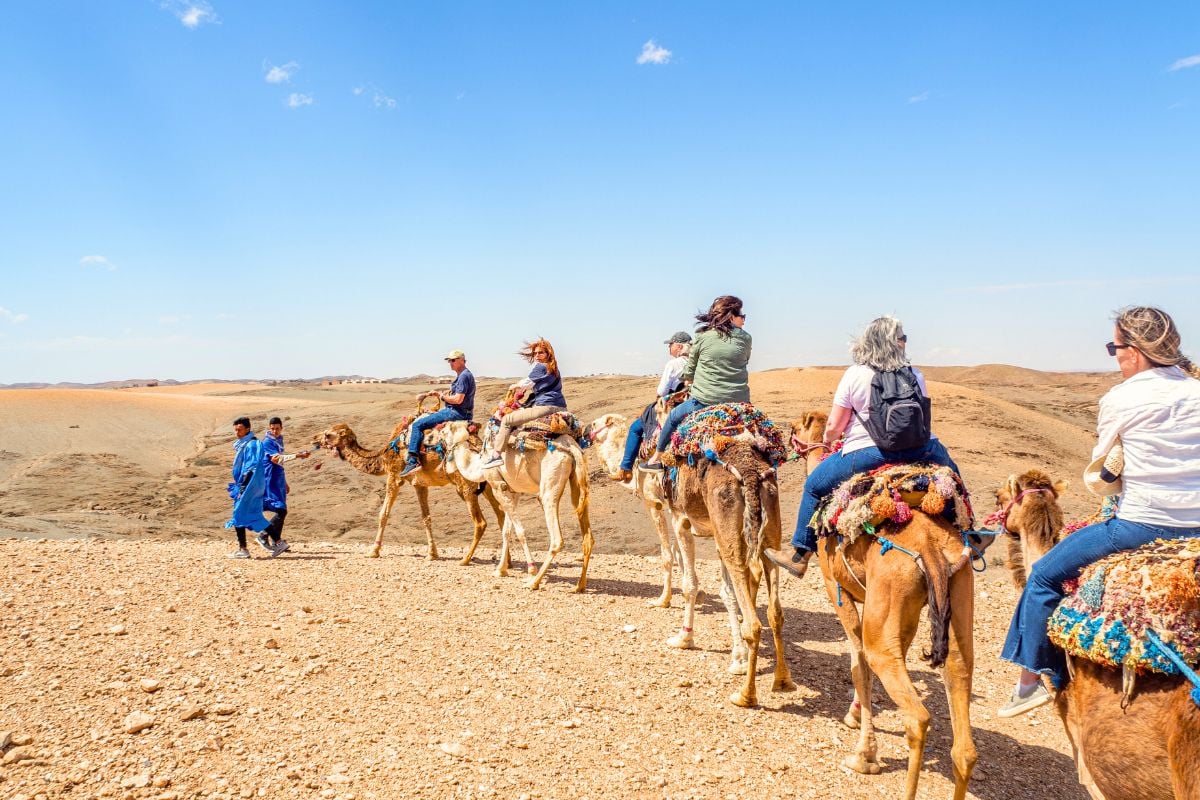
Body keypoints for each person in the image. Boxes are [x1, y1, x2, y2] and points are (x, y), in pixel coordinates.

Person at [997, 306, 1200, 718]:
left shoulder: (1121, 398)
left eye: (1114, 347)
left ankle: (1032, 679)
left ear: (1136, 352)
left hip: (1140, 524)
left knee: (1043, 577)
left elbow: (1101, 474)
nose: (1114, 356)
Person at [765, 315, 959, 578]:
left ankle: (800, 554)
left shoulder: (855, 374)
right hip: (921, 449)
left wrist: (832, 439)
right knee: (953, 477)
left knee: (814, 486)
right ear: (895, 343)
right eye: (902, 337)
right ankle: (968, 534)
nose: (905, 341)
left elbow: (834, 426)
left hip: (869, 453)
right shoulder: (914, 374)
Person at [640, 295, 751, 470]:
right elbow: (744, 360)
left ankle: (656, 458)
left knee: (673, 417)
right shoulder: (746, 338)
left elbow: (688, 373)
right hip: (740, 402)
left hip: (704, 401)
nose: (743, 319)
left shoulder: (702, 337)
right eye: (741, 315)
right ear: (731, 316)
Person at [616, 331, 693, 481]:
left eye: (670, 345)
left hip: (671, 406)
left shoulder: (673, 364)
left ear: (678, 346)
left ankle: (626, 468)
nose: (669, 348)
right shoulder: (696, 362)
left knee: (636, 428)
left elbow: (661, 391)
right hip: (691, 404)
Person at [480, 338, 566, 469]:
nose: (537, 355)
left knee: (507, 420)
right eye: (535, 353)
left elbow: (527, 383)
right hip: (561, 406)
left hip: (546, 406)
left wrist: (515, 386)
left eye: (541, 352)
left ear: (548, 354)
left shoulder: (540, 367)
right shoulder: (554, 368)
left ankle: (496, 456)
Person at [400, 349, 477, 478]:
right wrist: (439, 393)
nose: (450, 363)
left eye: (453, 360)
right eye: (449, 361)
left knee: (417, 424)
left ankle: (413, 461)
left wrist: (442, 397)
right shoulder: (463, 375)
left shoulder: (464, 376)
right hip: (458, 411)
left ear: (462, 361)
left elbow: (458, 399)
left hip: (456, 413)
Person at [258, 416, 309, 557]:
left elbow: (280, 462)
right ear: (269, 428)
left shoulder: (279, 440)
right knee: (281, 510)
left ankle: (276, 542)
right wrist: (298, 455)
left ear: (281, 428)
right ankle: (263, 534)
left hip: (278, 478)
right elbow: (276, 459)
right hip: (270, 478)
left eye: (277, 428)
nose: (275, 431)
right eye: (272, 428)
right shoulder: (267, 442)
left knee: (282, 509)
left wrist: (285, 482)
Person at [224, 416, 272, 559]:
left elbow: (250, 468)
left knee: (238, 514)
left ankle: (243, 550)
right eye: (236, 430)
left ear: (247, 429)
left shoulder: (251, 445)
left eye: (240, 430)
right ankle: (279, 541)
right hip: (250, 484)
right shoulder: (246, 444)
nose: (237, 433)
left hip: (248, 485)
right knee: (253, 515)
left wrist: (243, 487)